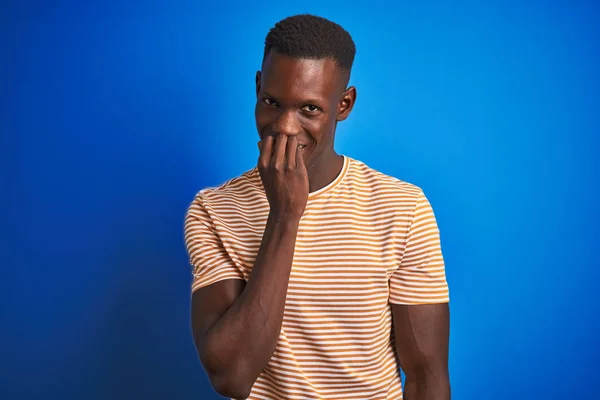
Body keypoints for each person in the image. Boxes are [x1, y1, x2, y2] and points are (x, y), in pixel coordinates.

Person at [184, 14, 450, 400]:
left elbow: (427, 375)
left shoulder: (402, 208)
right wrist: (285, 215)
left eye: (309, 109)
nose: (286, 126)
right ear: (257, 87)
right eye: (271, 102)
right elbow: (231, 377)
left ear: (343, 104)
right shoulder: (213, 210)